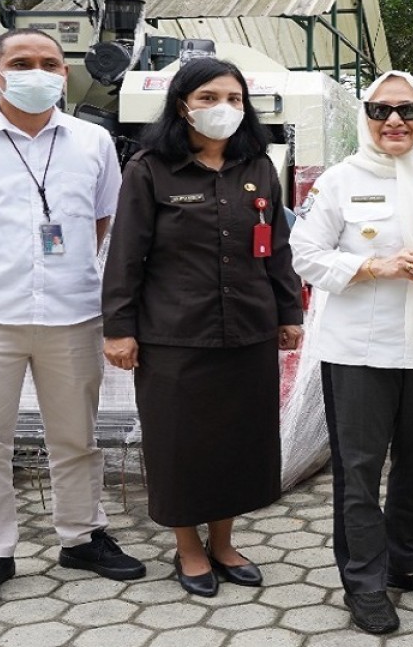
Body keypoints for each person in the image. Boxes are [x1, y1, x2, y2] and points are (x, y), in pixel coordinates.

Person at [0, 28, 144, 608]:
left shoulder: (92, 141)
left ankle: (82, 535)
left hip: (71, 314)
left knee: (77, 436)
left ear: (65, 74)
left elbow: (99, 221)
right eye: (22, 62)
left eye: (50, 63)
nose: (37, 72)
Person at [101, 57, 304, 598]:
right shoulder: (149, 170)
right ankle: (188, 549)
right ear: (182, 106)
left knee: (239, 444)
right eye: (210, 98)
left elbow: (275, 249)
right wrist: (118, 329)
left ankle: (224, 543)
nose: (224, 109)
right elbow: (125, 258)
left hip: (248, 332)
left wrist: (289, 314)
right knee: (179, 447)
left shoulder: (258, 167)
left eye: (235, 99)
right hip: (175, 336)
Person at [289, 71, 413, 635]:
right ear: (365, 117)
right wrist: (374, 266)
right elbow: (305, 255)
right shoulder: (341, 180)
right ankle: (365, 582)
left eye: (408, 110)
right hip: (361, 350)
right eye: (380, 110)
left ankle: (409, 561)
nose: (394, 120)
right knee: (360, 468)